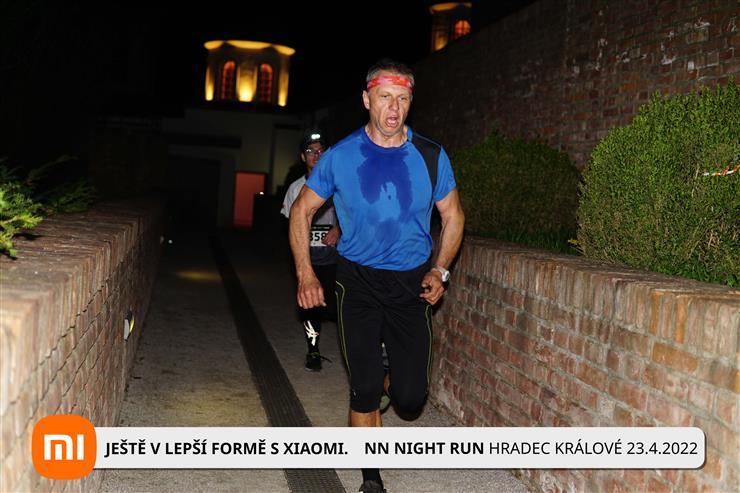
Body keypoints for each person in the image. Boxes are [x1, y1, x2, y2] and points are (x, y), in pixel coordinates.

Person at [288, 59, 465, 492]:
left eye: (403, 99)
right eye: (385, 97)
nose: (394, 108)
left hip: (411, 284)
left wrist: (440, 270)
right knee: (363, 388)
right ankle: (371, 479)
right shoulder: (341, 156)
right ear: (367, 100)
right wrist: (306, 275)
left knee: (410, 398)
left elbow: (453, 216)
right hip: (358, 284)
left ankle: (390, 380)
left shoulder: (430, 155)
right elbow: (301, 211)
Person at [281, 129, 340, 371]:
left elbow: (356, 216)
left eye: (321, 151)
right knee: (310, 306)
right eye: (310, 151)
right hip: (309, 259)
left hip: (336, 258)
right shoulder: (296, 189)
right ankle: (313, 350)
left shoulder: (339, 185)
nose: (316, 155)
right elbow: (290, 225)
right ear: (303, 157)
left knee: (341, 307)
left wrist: (339, 229)